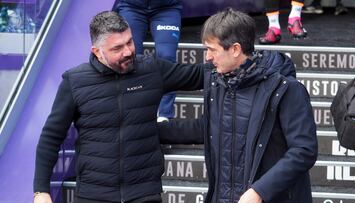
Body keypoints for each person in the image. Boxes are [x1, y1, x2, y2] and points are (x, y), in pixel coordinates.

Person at [33, 11, 205, 203]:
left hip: (144, 193)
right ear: (97, 52)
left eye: (130, 42)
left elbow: (199, 75)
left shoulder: (151, 69)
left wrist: (237, 60)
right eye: (117, 48)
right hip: (94, 194)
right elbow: (51, 137)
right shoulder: (74, 82)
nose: (128, 51)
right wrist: (41, 191)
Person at [159, 8, 318, 203]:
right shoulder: (218, 83)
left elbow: (303, 151)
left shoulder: (286, 89)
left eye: (212, 49)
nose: (208, 57)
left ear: (235, 49)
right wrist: (147, 131)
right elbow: (207, 127)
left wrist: (259, 191)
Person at [113, 0, 182, 122]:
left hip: (167, 7)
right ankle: (132, 110)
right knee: (128, 56)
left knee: (166, 57)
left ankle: (164, 114)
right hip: (131, 6)